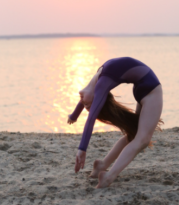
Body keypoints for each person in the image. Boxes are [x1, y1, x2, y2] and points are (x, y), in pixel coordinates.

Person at [67, 57, 163, 188]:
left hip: (145, 87)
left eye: (88, 105)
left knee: (133, 136)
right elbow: (87, 103)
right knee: (142, 140)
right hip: (150, 89)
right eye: (87, 106)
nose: (84, 105)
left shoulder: (99, 81)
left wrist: (81, 147)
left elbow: (89, 113)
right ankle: (108, 176)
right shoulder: (98, 83)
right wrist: (74, 117)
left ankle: (102, 165)